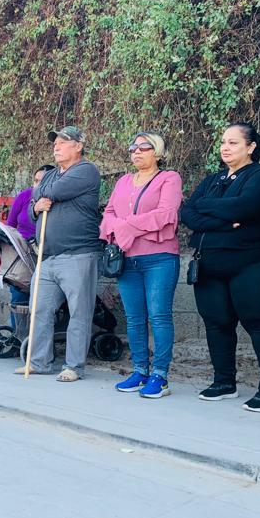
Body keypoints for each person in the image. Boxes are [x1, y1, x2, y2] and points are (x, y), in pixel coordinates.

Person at [179, 122, 260, 412]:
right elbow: (187, 214)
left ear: (251, 147)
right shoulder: (212, 180)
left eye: (233, 143)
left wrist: (206, 207)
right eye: (223, 143)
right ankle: (224, 382)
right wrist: (222, 220)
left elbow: (245, 207)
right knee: (216, 323)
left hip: (253, 262)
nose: (225, 148)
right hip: (210, 264)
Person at [100, 132, 182, 399]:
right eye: (132, 147)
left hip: (159, 257)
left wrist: (127, 227)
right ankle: (140, 370)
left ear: (156, 152)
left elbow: (166, 214)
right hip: (127, 258)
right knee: (134, 318)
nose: (136, 151)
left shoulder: (169, 178)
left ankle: (160, 374)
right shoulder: (123, 181)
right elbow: (109, 213)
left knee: (159, 315)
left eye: (143, 147)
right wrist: (121, 228)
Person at [17, 126, 102, 382]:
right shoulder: (52, 174)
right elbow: (34, 199)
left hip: (78, 254)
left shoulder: (86, 170)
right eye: (55, 142)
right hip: (48, 256)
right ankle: (39, 362)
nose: (57, 146)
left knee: (79, 312)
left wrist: (40, 198)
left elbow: (50, 193)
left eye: (63, 142)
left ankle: (74, 366)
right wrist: (36, 206)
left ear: (78, 145)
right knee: (39, 309)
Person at [5, 164, 52, 328]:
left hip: (48, 253)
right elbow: (10, 225)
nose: (38, 185)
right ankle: (18, 335)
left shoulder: (57, 201)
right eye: (36, 180)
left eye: (43, 181)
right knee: (19, 295)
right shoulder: (25, 196)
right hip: (23, 253)